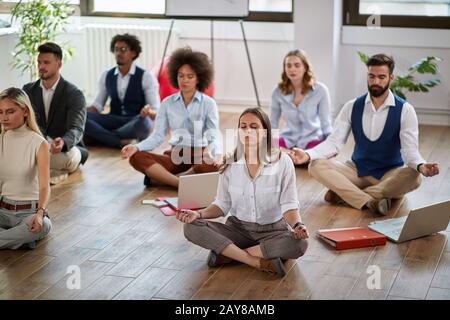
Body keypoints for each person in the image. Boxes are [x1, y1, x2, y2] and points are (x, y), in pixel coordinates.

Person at [290, 54, 440, 215]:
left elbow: (409, 151)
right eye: (372, 76)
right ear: (367, 76)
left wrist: (421, 165)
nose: (376, 82)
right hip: (356, 170)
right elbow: (334, 142)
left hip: (389, 174)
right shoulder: (352, 106)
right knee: (316, 165)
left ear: (391, 77)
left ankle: (347, 195)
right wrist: (306, 155)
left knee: (414, 176)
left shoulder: (405, 110)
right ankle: (371, 200)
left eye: (381, 77)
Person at [177, 108, 309, 278]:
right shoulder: (229, 163)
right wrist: (198, 214)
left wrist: (298, 226)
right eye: (243, 126)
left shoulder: (283, 162)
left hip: (274, 231)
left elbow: (289, 204)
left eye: (254, 126)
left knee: (300, 244)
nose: (247, 131)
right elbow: (222, 204)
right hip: (238, 230)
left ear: (265, 132)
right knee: (191, 227)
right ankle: (254, 260)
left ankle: (229, 254)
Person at [121, 47, 222, 188]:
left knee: (216, 166)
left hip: (199, 158)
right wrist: (136, 147)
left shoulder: (209, 103)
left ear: (199, 78)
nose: (184, 80)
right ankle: (180, 183)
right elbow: (157, 136)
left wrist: (213, 153)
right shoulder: (167, 103)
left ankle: (161, 179)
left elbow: (213, 135)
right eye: (181, 75)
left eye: (190, 76)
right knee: (137, 157)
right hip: (174, 157)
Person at [23, 42, 88, 185]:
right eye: (39, 62)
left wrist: (64, 142)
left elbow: (76, 129)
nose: (41, 66)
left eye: (46, 62)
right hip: (35, 148)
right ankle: (47, 172)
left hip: (62, 151)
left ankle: (33, 172)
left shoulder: (74, 94)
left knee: (69, 157)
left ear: (59, 64)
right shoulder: (27, 91)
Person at [84, 33, 160, 148]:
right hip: (113, 120)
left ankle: (101, 138)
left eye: (123, 50)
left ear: (133, 53)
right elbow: (97, 106)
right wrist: (80, 109)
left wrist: (148, 112)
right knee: (82, 118)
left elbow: (156, 113)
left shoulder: (146, 77)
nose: (118, 53)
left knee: (143, 123)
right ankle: (118, 141)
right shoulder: (106, 75)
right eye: (116, 50)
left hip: (135, 121)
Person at [0, 87, 52, 249]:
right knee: (24, 235)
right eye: (0, 112)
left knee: (42, 226)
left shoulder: (39, 143)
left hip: (29, 213)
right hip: (2, 210)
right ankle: (16, 241)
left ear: (24, 111)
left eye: (10, 112)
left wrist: (40, 213)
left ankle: (18, 239)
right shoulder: (1, 139)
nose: (4, 117)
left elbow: (45, 186)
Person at [270, 49, 332, 151]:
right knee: (268, 152)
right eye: (288, 65)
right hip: (287, 139)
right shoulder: (277, 92)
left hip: (312, 139)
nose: (292, 69)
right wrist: (270, 145)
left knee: (316, 159)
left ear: (305, 67)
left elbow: (326, 124)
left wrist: (330, 145)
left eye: (297, 65)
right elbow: (272, 123)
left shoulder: (320, 90)